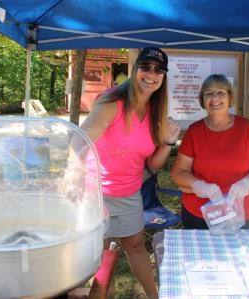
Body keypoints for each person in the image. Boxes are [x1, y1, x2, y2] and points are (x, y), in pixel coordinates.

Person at [80, 47, 180, 299]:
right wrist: (72, 182)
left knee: (135, 246)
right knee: (101, 255)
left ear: (163, 77)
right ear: (136, 70)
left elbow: (153, 165)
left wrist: (167, 143)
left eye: (158, 70)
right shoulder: (111, 104)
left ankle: (155, 296)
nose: (151, 74)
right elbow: (77, 144)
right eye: (146, 67)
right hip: (96, 193)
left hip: (129, 192)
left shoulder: (157, 113)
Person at [171, 74, 249, 229]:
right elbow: (178, 172)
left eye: (221, 92)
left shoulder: (246, 128)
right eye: (209, 93)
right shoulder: (194, 132)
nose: (215, 98)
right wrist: (197, 185)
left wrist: (247, 183)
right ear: (203, 99)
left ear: (229, 97)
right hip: (200, 215)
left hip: (243, 214)